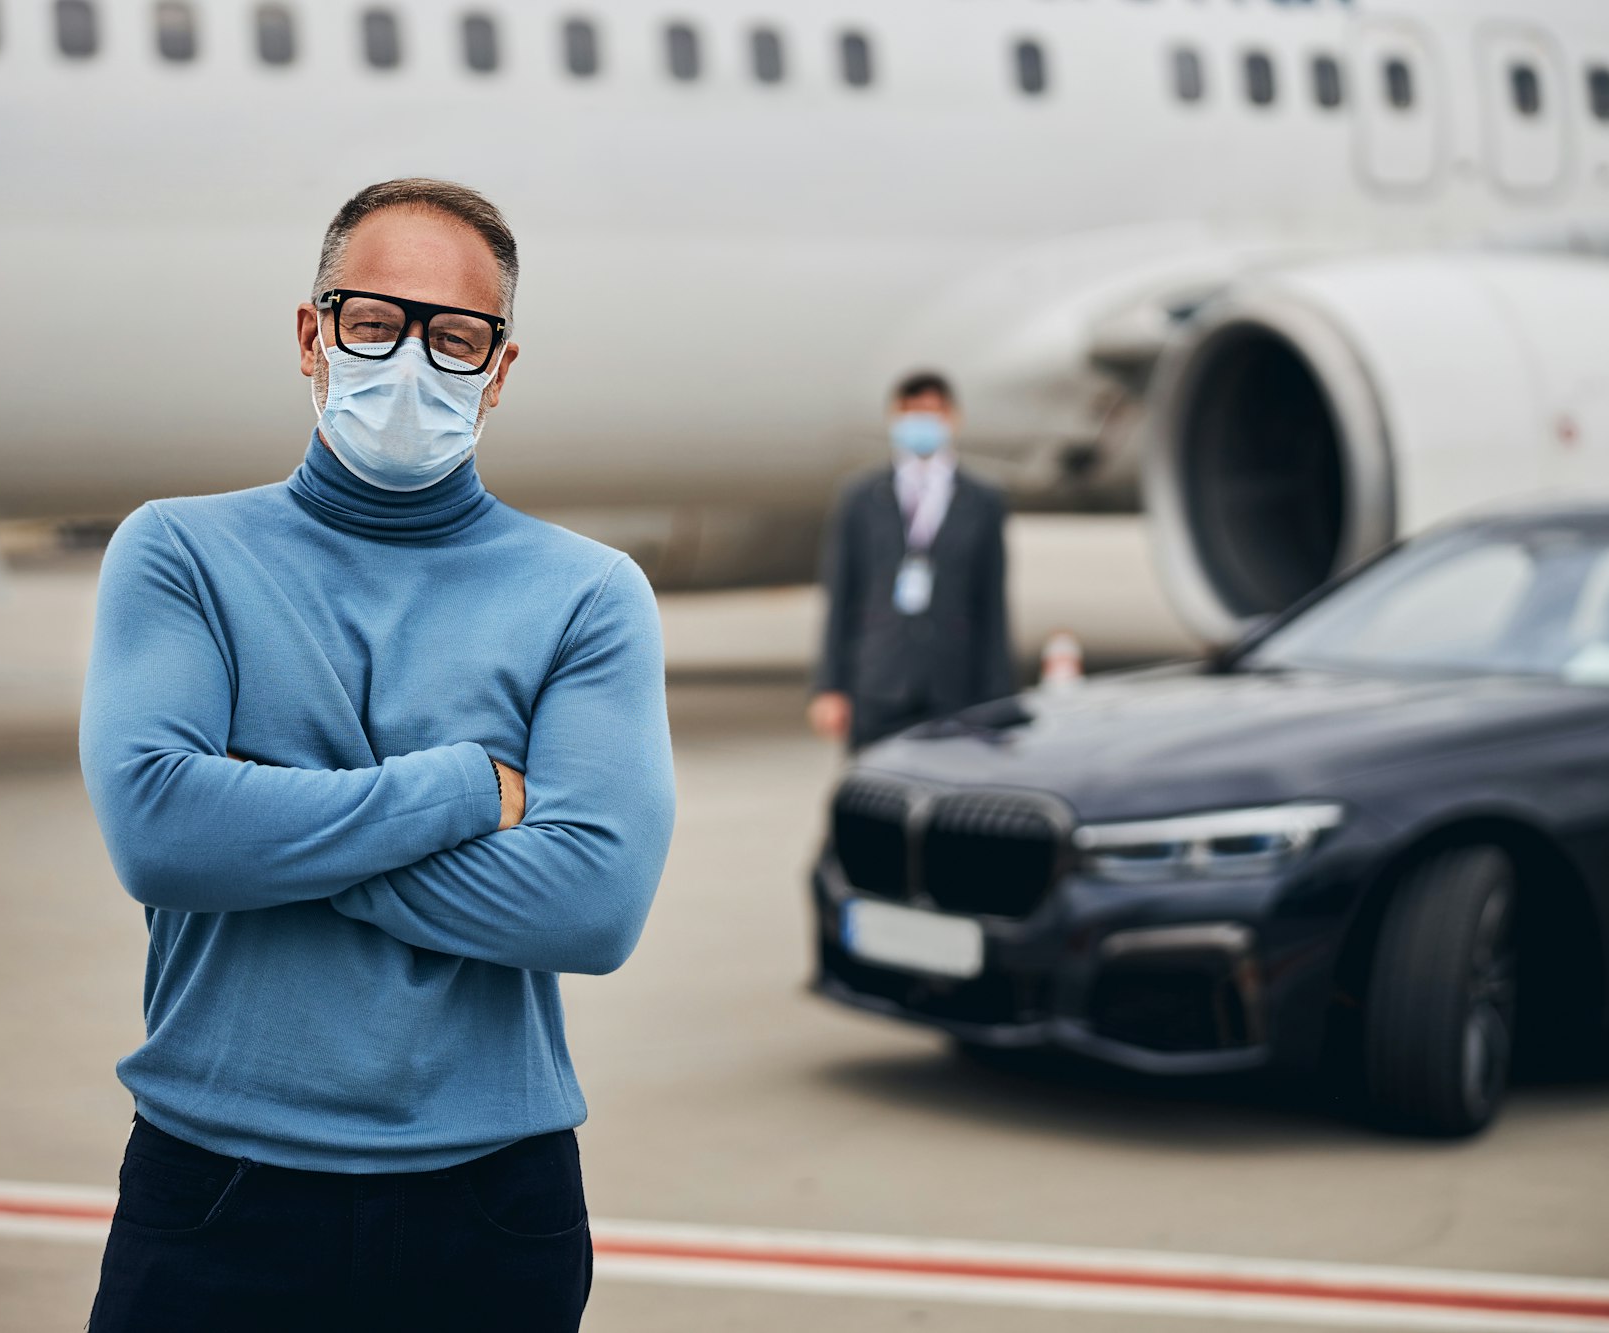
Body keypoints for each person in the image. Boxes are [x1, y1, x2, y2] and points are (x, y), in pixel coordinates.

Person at [78, 178, 676, 1332]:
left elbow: (590, 906)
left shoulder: (589, 595)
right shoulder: (180, 553)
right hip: (217, 1189)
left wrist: (260, 830)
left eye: (455, 337)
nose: (410, 361)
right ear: (312, 333)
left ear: (499, 370)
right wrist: (462, 786)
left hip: (490, 1202)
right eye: (371, 321)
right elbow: (160, 830)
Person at [808, 371, 1016, 750]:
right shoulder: (861, 497)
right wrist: (831, 686)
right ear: (894, 417)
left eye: (933, 412)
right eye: (912, 412)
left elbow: (992, 606)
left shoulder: (983, 500)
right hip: (879, 683)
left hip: (953, 687)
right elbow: (842, 597)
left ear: (953, 418)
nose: (922, 422)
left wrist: (998, 700)